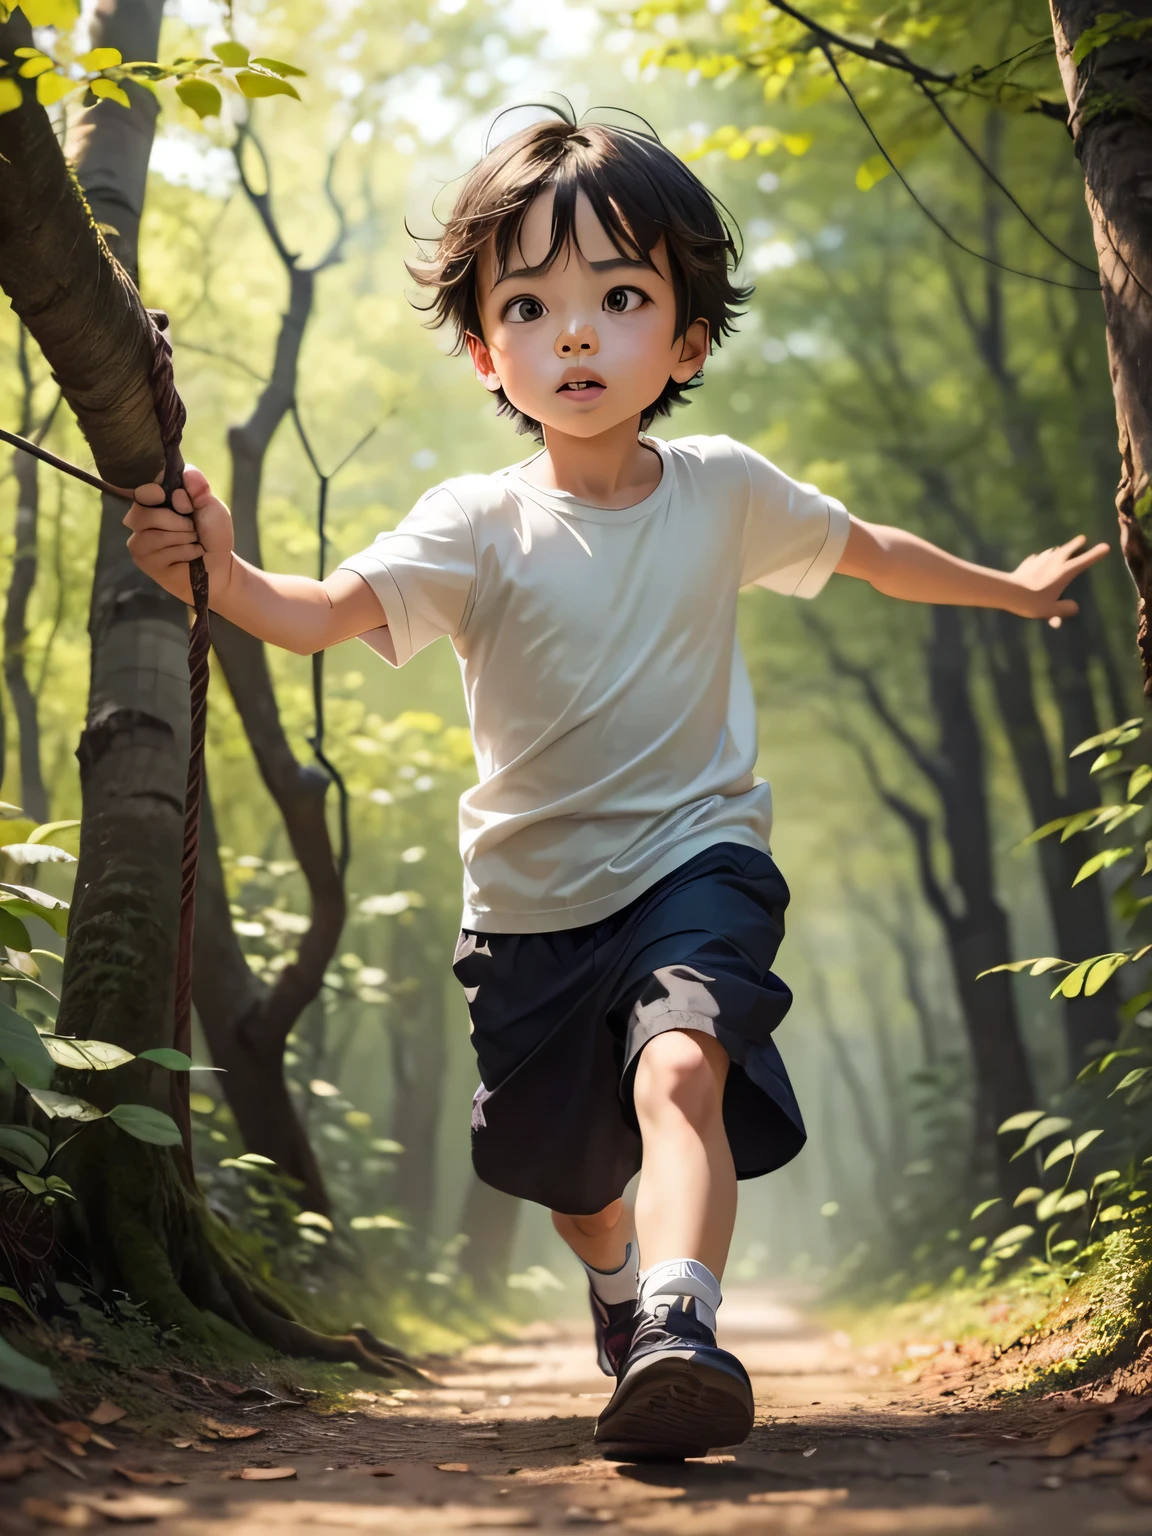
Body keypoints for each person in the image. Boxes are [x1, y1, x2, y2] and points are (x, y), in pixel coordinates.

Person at [125, 110, 1108, 1462]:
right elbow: (318, 611)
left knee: (683, 1065)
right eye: (530, 303)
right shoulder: (473, 524)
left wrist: (1009, 589)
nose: (576, 333)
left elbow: (872, 549)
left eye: (621, 296)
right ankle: (616, 1281)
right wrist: (219, 572)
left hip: (697, 867)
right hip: (529, 910)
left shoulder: (725, 492)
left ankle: (680, 1327)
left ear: (687, 340)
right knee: (574, 1179)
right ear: (486, 348)